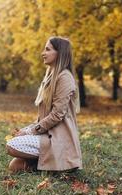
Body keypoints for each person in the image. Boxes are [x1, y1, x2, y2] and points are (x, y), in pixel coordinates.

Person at [6, 36, 82, 173]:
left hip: (58, 139)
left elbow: (57, 115)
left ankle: (62, 162)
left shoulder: (64, 77)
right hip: (46, 134)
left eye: (47, 49)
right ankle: (51, 166)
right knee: (14, 167)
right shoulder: (50, 77)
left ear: (60, 53)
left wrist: (30, 131)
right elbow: (43, 118)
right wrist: (25, 130)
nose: (43, 53)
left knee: (12, 145)